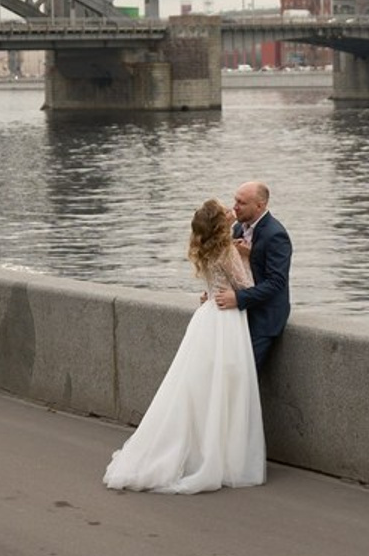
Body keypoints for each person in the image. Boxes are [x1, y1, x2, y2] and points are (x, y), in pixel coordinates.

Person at [103, 198, 265, 494]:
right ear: (220, 223)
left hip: (207, 317)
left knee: (197, 388)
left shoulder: (205, 249)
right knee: (226, 386)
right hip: (226, 321)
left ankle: (195, 450)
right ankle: (222, 455)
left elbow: (211, 285)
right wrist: (247, 256)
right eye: (226, 211)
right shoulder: (228, 251)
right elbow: (247, 289)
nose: (232, 211)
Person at [214, 180, 291, 369]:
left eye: (241, 203)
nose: (235, 207)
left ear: (260, 205)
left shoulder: (276, 235)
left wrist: (238, 298)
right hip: (240, 315)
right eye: (235, 201)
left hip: (264, 320)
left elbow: (276, 283)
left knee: (244, 375)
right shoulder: (238, 228)